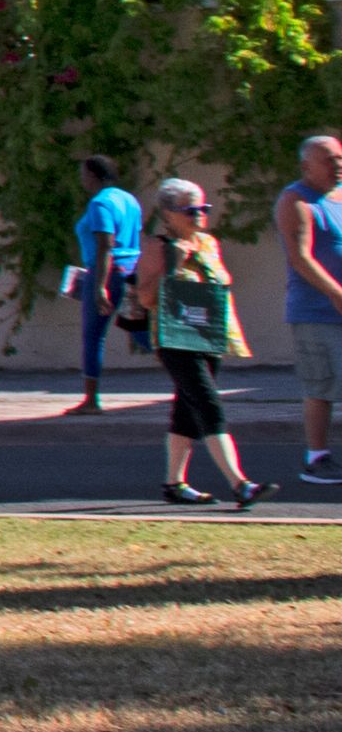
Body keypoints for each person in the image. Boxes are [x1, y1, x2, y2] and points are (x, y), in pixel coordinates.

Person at [138, 179, 260, 505]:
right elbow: (145, 297)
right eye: (189, 210)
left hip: (207, 335)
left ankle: (174, 484)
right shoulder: (157, 247)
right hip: (175, 338)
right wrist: (173, 264)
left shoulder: (208, 243)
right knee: (208, 404)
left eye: (203, 209)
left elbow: (222, 283)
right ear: (168, 214)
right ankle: (240, 483)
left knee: (187, 410)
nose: (199, 215)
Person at [66, 161, 146, 416]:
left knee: (93, 336)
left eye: (83, 174)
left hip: (107, 274)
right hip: (132, 272)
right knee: (142, 332)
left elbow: (105, 245)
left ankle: (91, 400)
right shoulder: (130, 200)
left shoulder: (100, 203)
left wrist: (99, 286)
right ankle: (188, 380)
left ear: (92, 175)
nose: (82, 180)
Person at [288, 135, 342, 493]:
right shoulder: (296, 200)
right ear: (307, 166)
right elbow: (300, 256)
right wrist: (336, 293)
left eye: (339, 158)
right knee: (321, 385)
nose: (337, 164)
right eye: (328, 159)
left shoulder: (339, 198)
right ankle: (316, 457)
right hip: (316, 311)